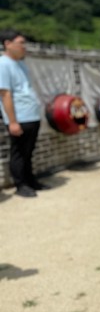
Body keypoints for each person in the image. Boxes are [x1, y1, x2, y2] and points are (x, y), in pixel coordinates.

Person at [0, 29, 47, 198]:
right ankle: (21, 185)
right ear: (7, 44)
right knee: (19, 153)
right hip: (19, 117)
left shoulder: (21, 64)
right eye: (20, 43)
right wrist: (12, 121)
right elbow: (5, 94)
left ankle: (31, 180)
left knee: (29, 152)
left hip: (31, 115)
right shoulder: (3, 64)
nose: (24, 46)